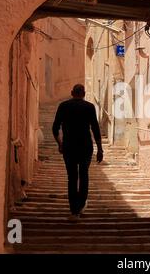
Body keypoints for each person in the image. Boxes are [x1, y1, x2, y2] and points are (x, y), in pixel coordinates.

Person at [52, 84, 104, 221]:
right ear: (84, 94)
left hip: (69, 146)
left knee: (72, 177)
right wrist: (100, 148)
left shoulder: (63, 106)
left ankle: (73, 209)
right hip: (85, 146)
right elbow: (95, 128)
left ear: (71, 93)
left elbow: (54, 128)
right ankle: (80, 205)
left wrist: (60, 143)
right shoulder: (89, 107)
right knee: (84, 175)